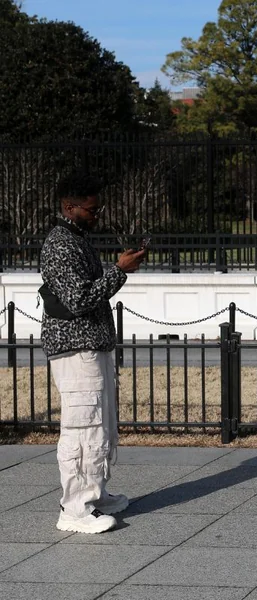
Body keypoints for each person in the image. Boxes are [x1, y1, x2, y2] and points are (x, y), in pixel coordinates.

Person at [40, 173, 146, 534]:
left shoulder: (77, 240)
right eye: (91, 208)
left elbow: (89, 289)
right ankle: (74, 508)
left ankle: (95, 494)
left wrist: (117, 268)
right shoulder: (60, 244)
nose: (97, 214)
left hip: (91, 345)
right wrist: (119, 271)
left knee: (101, 425)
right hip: (74, 348)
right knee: (81, 426)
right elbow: (79, 299)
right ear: (69, 207)